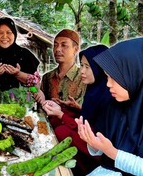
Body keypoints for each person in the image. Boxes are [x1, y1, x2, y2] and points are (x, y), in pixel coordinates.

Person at [76, 37, 143, 175]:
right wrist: (94, 143)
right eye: (107, 77)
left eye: (114, 78)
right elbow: (105, 145)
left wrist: (114, 153)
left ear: (137, 74)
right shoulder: (116, 104)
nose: (108, 84)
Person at [41, 44, 110, 175]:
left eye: (87, 67)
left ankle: (78, 170)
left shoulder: (108, 95)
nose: (82, 71)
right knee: (56, 117)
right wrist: (69, 108)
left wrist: (62, 115)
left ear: (100, 68)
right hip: (88, 132)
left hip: (97, 146)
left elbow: (92, 128)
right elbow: (87, 116)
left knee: (62, 131)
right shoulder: (95, 89)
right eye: (82, 65)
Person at [0, 17, 40, 91]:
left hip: (21, 101)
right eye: (0, 33)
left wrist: (18, 74)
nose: (4, 37)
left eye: (9, 32)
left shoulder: (25, 54)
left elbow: (36, 85)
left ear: (14, 34)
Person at [33, 29, 86, 110]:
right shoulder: (47, 77)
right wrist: (34, 89)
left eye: (64, 45)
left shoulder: (83, 78)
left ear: (75, 49)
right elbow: (39, 99)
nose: (57, 49)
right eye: (55, 45)